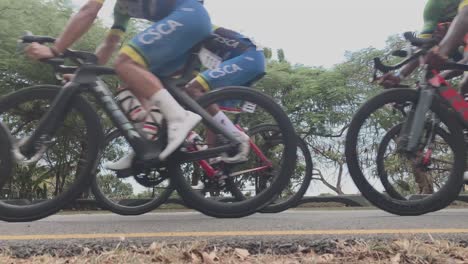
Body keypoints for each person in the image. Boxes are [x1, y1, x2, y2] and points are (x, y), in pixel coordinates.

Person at [25, 0, 212, 161]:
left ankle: (179, 117)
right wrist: (84, 73)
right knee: (131, 80)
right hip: (188, 29)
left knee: (125, 62)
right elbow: (110, 42)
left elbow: (88, 11)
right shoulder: (121, 9)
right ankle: (150, 142)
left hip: (190, 16)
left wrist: (54, 50)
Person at [105, 24, 266, 171]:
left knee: (193, 90)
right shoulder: (191, 42)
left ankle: (237, 137)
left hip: (249, 58)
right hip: (239, 61)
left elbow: (181, 74)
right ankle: (213, 167)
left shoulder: (192, 32)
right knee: (207, 110)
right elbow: (185, 74)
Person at [379, 0, 466, 88]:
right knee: (430, 67)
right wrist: (399, 76)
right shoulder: (435, 5)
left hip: (460, 51)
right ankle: (445, 97)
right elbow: (423, 47)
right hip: (456, 50)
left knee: (463, 82)